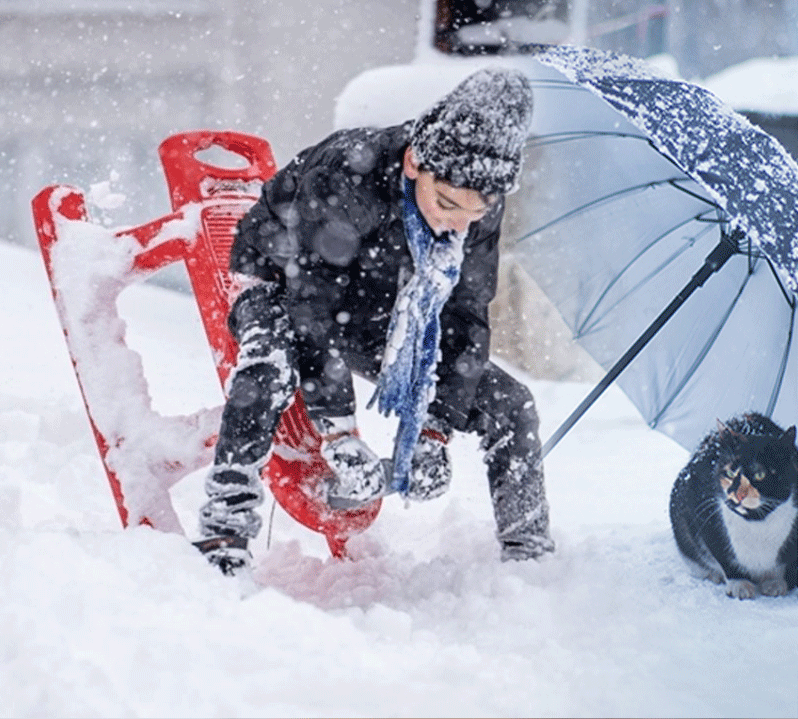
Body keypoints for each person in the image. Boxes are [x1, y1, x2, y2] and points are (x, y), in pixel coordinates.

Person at [193, 66, 554, 574]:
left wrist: (436, 428)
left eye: (473, 214)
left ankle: (531, 561)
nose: (456, 223)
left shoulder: (476, 202)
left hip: (382, 299)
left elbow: (466, 314)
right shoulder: (350, 170)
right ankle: (223, 531)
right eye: (447, 203)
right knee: (269, 366)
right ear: (413, 162)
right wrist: (338, 433)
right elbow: (312, 306)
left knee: (511, 404)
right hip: (280, 277)